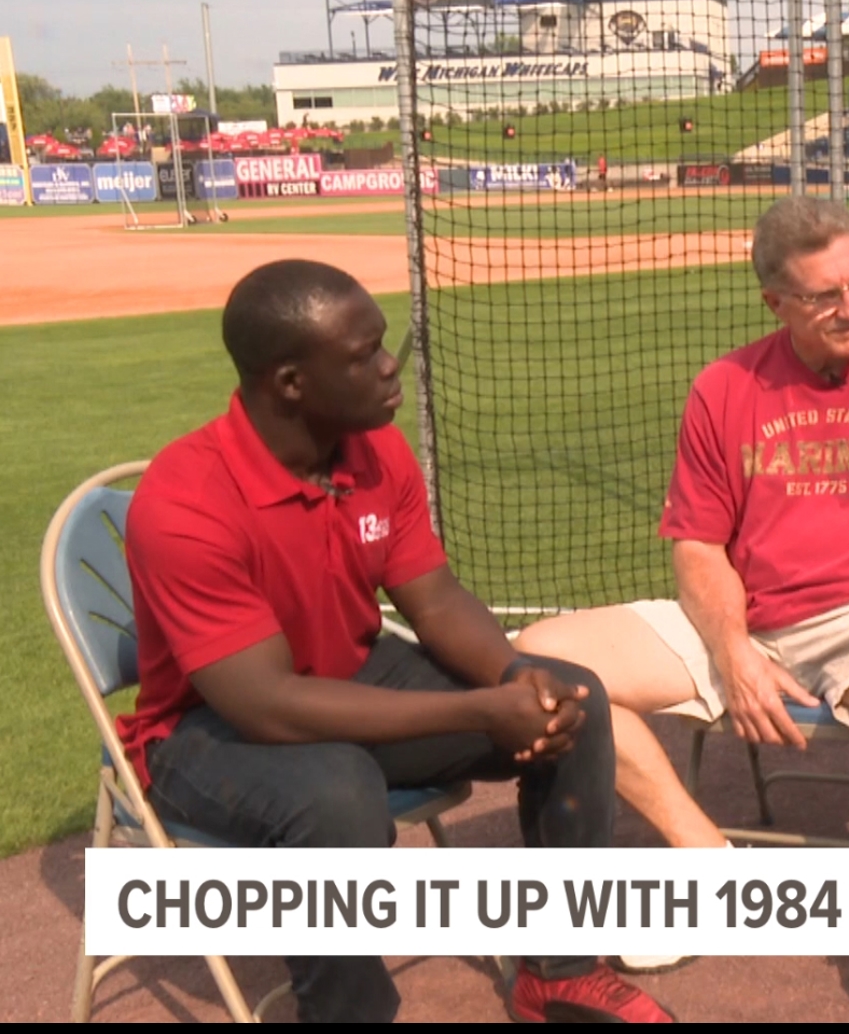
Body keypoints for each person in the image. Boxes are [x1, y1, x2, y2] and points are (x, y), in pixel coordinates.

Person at [513, 195, 849, 1012]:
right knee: (540, 663)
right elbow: (697, 547)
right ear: (776, 303)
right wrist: (732, 651)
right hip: (745, 615)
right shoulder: (725, 386)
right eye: (825, 296)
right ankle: (709, 863)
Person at [120, 260, 674, 1024]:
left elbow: (437, 600)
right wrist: (481, 710)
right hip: (204, 729)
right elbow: (267, 706)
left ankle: (562, 970)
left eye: (384, 345)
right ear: (290, 383)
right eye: (363, 355)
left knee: (569, 698)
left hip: (349, 678)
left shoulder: (370, 449)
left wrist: (515, 676)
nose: (390, 369)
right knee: (336, 793)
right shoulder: (185, 500)